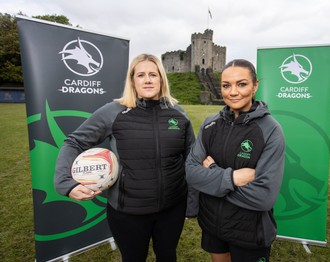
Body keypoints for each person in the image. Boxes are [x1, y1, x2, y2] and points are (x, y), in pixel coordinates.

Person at [54, 53, 195, 261]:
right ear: (132, 80)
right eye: (141, 75)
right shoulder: (113, 112)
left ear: (161, 79)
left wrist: (193, 199)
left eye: (153, 74)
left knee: (167, 255)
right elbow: (74, 142)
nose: (147, 80)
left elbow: (190, 156)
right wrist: (65, 182)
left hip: (172, 208)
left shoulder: (178, 113)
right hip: (128, 212)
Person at [185, 59, 285, 262]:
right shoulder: (210, 124)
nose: (233, 92)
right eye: (226, 85)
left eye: (242, 84)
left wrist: (211, 175)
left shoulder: (271, 130)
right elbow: (191, 172)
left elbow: (263, 196)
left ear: (255, 85)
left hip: (249, 231)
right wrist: (231, 178)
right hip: (213, 224)